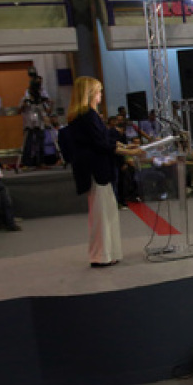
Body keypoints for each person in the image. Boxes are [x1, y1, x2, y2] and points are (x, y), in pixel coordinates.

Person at [62, 77, 145, 267]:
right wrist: (128, 151)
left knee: (107, 212)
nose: (101, 95)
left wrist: (126, 147)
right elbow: (100, 144)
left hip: (100, 170)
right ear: (90, 93)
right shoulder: (87, 116)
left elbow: (104, 139)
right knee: (101, 215)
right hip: (95, 171)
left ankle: (109, 252)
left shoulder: (86, 116)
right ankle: (100, 255)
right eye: (98, 91)